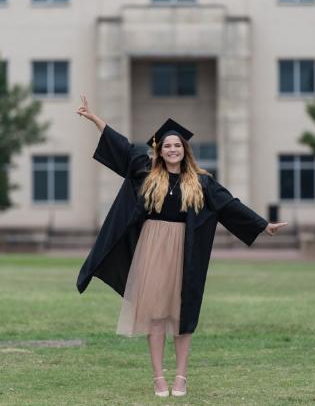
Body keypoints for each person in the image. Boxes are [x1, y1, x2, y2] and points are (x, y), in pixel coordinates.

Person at [75, 94, 288, 398]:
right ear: (159, 151)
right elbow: (121, 145)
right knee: (156, 314)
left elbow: (229, 205)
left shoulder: (201, 182)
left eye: (177, 145)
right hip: (152, 245)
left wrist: (262, 225)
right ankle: (158, 377)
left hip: (184, 249)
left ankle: (181, 377)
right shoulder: (145, 171)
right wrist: (94, 118)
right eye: (167, 146)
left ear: (184, 150)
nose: (172, 149)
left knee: (182, 312)